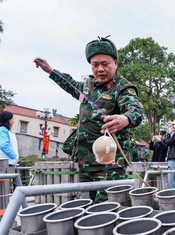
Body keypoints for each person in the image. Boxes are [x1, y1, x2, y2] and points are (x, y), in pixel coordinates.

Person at [34, 36, 144, 202]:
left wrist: (125, 118)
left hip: (109, 165)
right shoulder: (88, 86)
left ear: (116, 63)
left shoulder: (122, 87)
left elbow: (134, 108)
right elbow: (69, 84)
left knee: (107, 209)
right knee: (88, 205)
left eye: (105, 64)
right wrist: (50, 70)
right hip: (86, 162)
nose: (100, 69)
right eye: (95, 65)